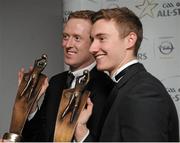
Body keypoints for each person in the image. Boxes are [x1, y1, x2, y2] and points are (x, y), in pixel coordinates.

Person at [75, 7, 179, 141]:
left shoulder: (142, 91)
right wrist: (82, 132)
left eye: (102, 38)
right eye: (92, 40)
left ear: (130, 40)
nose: (92, 49)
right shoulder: (127, 86)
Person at [21, 10, 113, 142]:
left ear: (93, 43)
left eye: (77, 38)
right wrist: (31, 104)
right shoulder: (56, 82)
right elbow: (40, 137)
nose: (68, 45)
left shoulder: (107, 87)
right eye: (65, 36)